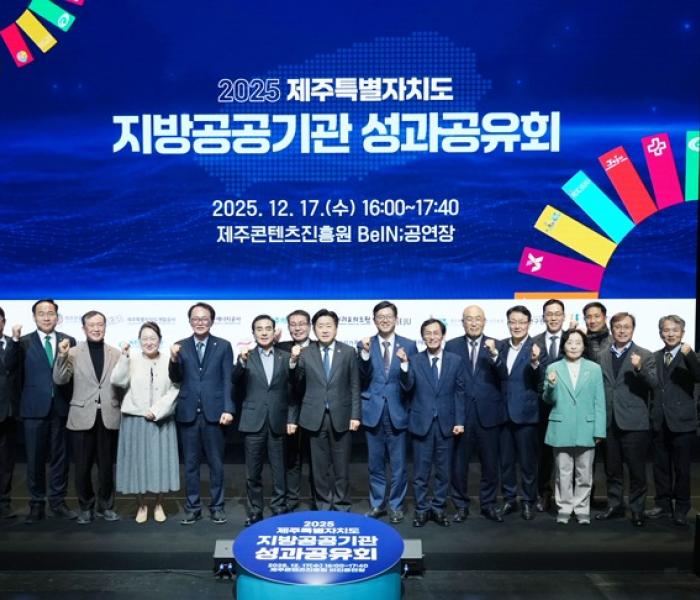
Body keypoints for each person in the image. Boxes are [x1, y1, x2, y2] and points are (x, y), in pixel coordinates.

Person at [5, 299, 77, 523]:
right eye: (41, 313)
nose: (46, 317)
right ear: (34, 317)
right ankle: (36, 505)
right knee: (34, 460)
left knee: (60, 460)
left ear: (57, 317)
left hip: (61, 408)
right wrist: (14, 340)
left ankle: (58, 502)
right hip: (33, 409)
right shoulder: (23, 342)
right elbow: (9, 366)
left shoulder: (68, 340)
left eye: (50, 313)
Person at [53, 310, 122, 525]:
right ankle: (85, 507)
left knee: (106, 467)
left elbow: (121, 383)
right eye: (91, 325)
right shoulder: (72, 352)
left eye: (100, 324)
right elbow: (60, 379)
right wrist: (62, 356)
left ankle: (106, 506)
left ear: (105, 327)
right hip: (81, 416)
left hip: (108, 415)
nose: (96, 328)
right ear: (83, 328)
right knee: (82, 467)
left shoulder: (115, 353)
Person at [169, 302, 234, 525]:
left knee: (216, 464)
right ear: (189, 321)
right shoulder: (180, 346)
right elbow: (176, 378)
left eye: (204, 318)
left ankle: (217, 507)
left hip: (215, 414)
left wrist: (228, 408)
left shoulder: (223, 346)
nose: (200, 322)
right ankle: (193, 508)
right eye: (195, 318)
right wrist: (173, 359)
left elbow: (228, 380)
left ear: (212, 321)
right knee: (190, 465)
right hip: (188, 413)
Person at [290, 309, 360, 511]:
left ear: (336, 328)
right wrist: (293, 362)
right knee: (318, 467)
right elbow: (296, 383)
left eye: (329, 326)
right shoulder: (306, 353)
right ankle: (322, 504)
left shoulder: (348, 352)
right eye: (320, 326)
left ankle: (341, 504)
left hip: (342, 416)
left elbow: (355, 385)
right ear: (314, 329)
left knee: (341, 466)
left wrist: (355, 415)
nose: (325, 330)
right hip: (314, 417)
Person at [399, 318, 465, 527]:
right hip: (421, 423)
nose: (432, 337)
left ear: (443, 335)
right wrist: (404, 366)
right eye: (428, 333)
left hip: (447, 424)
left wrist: (460, 421)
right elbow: (407, 387)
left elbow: (459, 392)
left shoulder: (455, 360)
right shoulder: (414, 360)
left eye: (436, 333)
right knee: (421, 472)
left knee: (443, 472)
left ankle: (438, 509)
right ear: (423, 337)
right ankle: (421, 509)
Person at [444, 305, 507, 523]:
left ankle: (488, 504)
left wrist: (495, 356)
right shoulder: (451, 346)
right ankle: (461, 505)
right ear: (462, 322)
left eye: (477, 319)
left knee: (490, 464)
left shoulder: (497, 345)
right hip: (460, 416)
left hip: (489, 415)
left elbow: (504, 375)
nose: (473, 323)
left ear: (484, 321)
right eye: (469, 319)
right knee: (458, 465)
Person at [112, 321, 180, 523]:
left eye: (153, 338)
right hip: (135, 419)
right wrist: (124, 357)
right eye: (144, 339)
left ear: (160, 340)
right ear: (139, 341)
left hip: (161, 419)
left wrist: (157, 410)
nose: (149, 342)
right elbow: (117, 381)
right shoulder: (130, 359)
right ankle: (141, 505)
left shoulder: (169, 360)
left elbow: (176, 388)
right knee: (136, 464)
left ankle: (159, 504)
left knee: (161, 463)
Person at [358, 301, 417, 524]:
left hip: (397, 411)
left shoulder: (409, 345)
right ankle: (377, 504)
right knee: (375, 463)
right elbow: (361, 377)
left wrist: (404, 365)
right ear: (374, 320)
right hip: (372, 411)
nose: (384, 320)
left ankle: (396, 506)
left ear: (396, 319)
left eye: (388, 316)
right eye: (380, 316)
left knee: (399, 464)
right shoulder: (365, 344)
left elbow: (410, 383)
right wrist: (364, 355)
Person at [595, 312, 656, 527]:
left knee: (637, 470)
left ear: (633, 329)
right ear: (611, 329)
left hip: (634, 422)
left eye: (626, 327)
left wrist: (639, 369)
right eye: (618, 327)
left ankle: (637, 510)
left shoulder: (645, 355)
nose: (622, 331)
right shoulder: (601, 355)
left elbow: (654, 384)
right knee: (612, 469)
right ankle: (615, 505)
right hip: (609, 420)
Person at [234, 315, 296, 526]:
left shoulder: (285, 356)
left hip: (278, 420)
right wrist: (241, 363)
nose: (263, 332)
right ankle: (255, 510)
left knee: (279, 470)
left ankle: (279, 506)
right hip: (253, 421)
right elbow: (233, 380)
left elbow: (293, 389)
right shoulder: (246, 356)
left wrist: (291, 418)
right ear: (253, 333)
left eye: (268, 328)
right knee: (253, 471)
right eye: (259, 329)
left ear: (274, 332)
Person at [543, 329, 606, 525]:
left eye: (578, 342)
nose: (573, 346)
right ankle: (564, 508)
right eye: (569, 342)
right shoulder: (553, 367)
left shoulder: (594, 369)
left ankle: (582, 509)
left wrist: (599, 430)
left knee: (584, 474)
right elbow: (548, 399)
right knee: (563, 473)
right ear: (563, 345)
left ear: (584, 346)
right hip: (561, 427)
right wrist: (551, 385)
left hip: (587, 427)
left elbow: (599, 402)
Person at [645, 315, 700, 526]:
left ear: (682, 333)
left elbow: (698, 376)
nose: (670, 334)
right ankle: (663, 504)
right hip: (659, 420)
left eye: (675, 330)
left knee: (682, 469)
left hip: (682, 422)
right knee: (660, 467)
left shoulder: (690, 355)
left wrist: (690, 356)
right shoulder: (655, 356)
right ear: (660, 333)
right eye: (666, 330)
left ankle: (682, 507)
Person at [497, 305, 544, 520]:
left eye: (521, 322)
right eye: (513, 322)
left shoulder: (537, 348)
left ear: (529, 324)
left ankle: (528, 501)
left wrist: (535, 363)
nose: (517, 326)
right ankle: (509, 499)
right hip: (502, 414)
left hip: (526, 415)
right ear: (508, 323)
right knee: (506, 462)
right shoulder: (500, 346)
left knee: (527, 463)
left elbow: (542, 380)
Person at [531, 299, 567, 512]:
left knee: (567, 454)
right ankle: (543, 494)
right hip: (541, 406)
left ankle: (567, 497)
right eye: (549, 314)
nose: (553, 318)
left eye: (557, 313)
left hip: (568, 406)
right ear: (543, 317)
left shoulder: (573, 339)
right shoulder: (533, 341)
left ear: (563, 316)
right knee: (543, 455)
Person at [276, 309, 314, 510]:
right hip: (287, 410)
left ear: (309, 326)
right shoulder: (280, 347)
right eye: (293, 324)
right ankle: (292, 499)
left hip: (314, 409)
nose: (297, 328)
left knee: (316, 458)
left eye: (301, 324)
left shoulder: (319, 347)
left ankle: (318, 498)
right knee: (291, 458)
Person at [0, 307, 20, 519]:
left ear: (3, 322)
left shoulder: (15, 343)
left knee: (6, 461)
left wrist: (15, 341)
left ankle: (4, 502)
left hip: (10, 412)